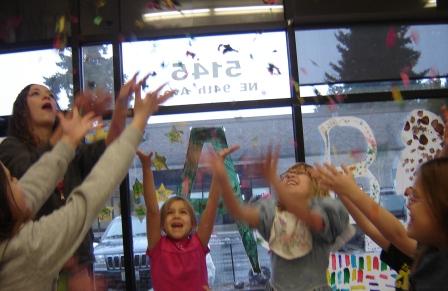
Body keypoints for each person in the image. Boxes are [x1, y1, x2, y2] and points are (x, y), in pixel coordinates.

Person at [0, 82, 175, 291]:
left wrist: (119, 108)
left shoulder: (71, 151)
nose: (46, 97)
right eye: (36, 94)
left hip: (76, 264)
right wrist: (140, 118)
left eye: (50, 95)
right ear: (21, 111)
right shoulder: (11, 149)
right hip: (54, 258)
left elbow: (109, 149)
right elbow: (38, 177)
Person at [210, 146, 351, 291]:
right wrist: (223, 178)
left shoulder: (326, 208)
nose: (290, 176)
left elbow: (313, 221)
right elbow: (239, 212)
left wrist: (274, 181)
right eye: (286, 175)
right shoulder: (273, 212)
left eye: (299, 173)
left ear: (315, 184)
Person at [315, 157, 448, 290]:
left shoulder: (437, 269)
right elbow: (371, 228)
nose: (408, 205)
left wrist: (351, 191)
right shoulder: (427, 253)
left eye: (416, 197)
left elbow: (397, 234)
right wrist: (343, 191)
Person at [136, 146, 237, 291]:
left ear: (192, 224)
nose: (176, 215)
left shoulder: (198, 242)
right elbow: (152, 211)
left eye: (183, 212)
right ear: (162, 224)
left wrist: (219, 165)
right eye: (170, 213)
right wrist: (146, 168)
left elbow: (212, 204)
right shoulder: (157, 246)